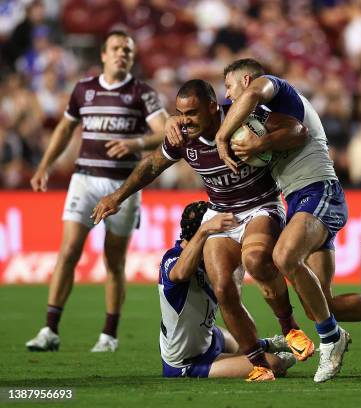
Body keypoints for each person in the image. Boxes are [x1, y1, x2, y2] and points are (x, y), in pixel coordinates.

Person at [196, 58, 361, 382]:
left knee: (283, 256)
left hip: (319, 191)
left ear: (247, 79)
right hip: (299, 201)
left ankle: (331, 340)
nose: (229, 97)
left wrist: (227, 139)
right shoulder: (262, 117)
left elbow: (295, 130)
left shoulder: (272, 88)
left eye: (230, 88)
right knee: (321, 303)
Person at [92, 79, 311, 381]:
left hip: (262, 205)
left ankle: (289, 327)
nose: (185, 120)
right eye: (180, 113)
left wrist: (262, 143)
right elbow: (152, 165)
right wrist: (116, 196)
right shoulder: (181, 136)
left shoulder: (245, 116)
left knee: (257, 259)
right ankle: (257, 362)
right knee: (222, 287)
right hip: (222, 211)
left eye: (192, 113)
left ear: (212, 107)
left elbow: (299, 131)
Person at [26, 30, 168, 352]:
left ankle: (109, 335)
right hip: (85, 180)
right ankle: (49, 330)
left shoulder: (142, 93)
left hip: (123, 187)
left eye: (128, 51)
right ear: (103, 54)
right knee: (68, 251)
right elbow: (65, 128)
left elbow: (163, 132)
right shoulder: (83, 89)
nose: (122, 54)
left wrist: (135, 142)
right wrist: (45, 166)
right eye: (116, 48)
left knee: (114, 262)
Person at [158, 201, 296, 380]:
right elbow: (180, 274)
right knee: (275, 365)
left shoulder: (212, 259)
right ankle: (267, 353)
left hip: (209, 336)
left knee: (242, 339)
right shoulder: (173, 258)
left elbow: (234, 302)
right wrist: (205, 230)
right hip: (188, 361)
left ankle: (266, 344)